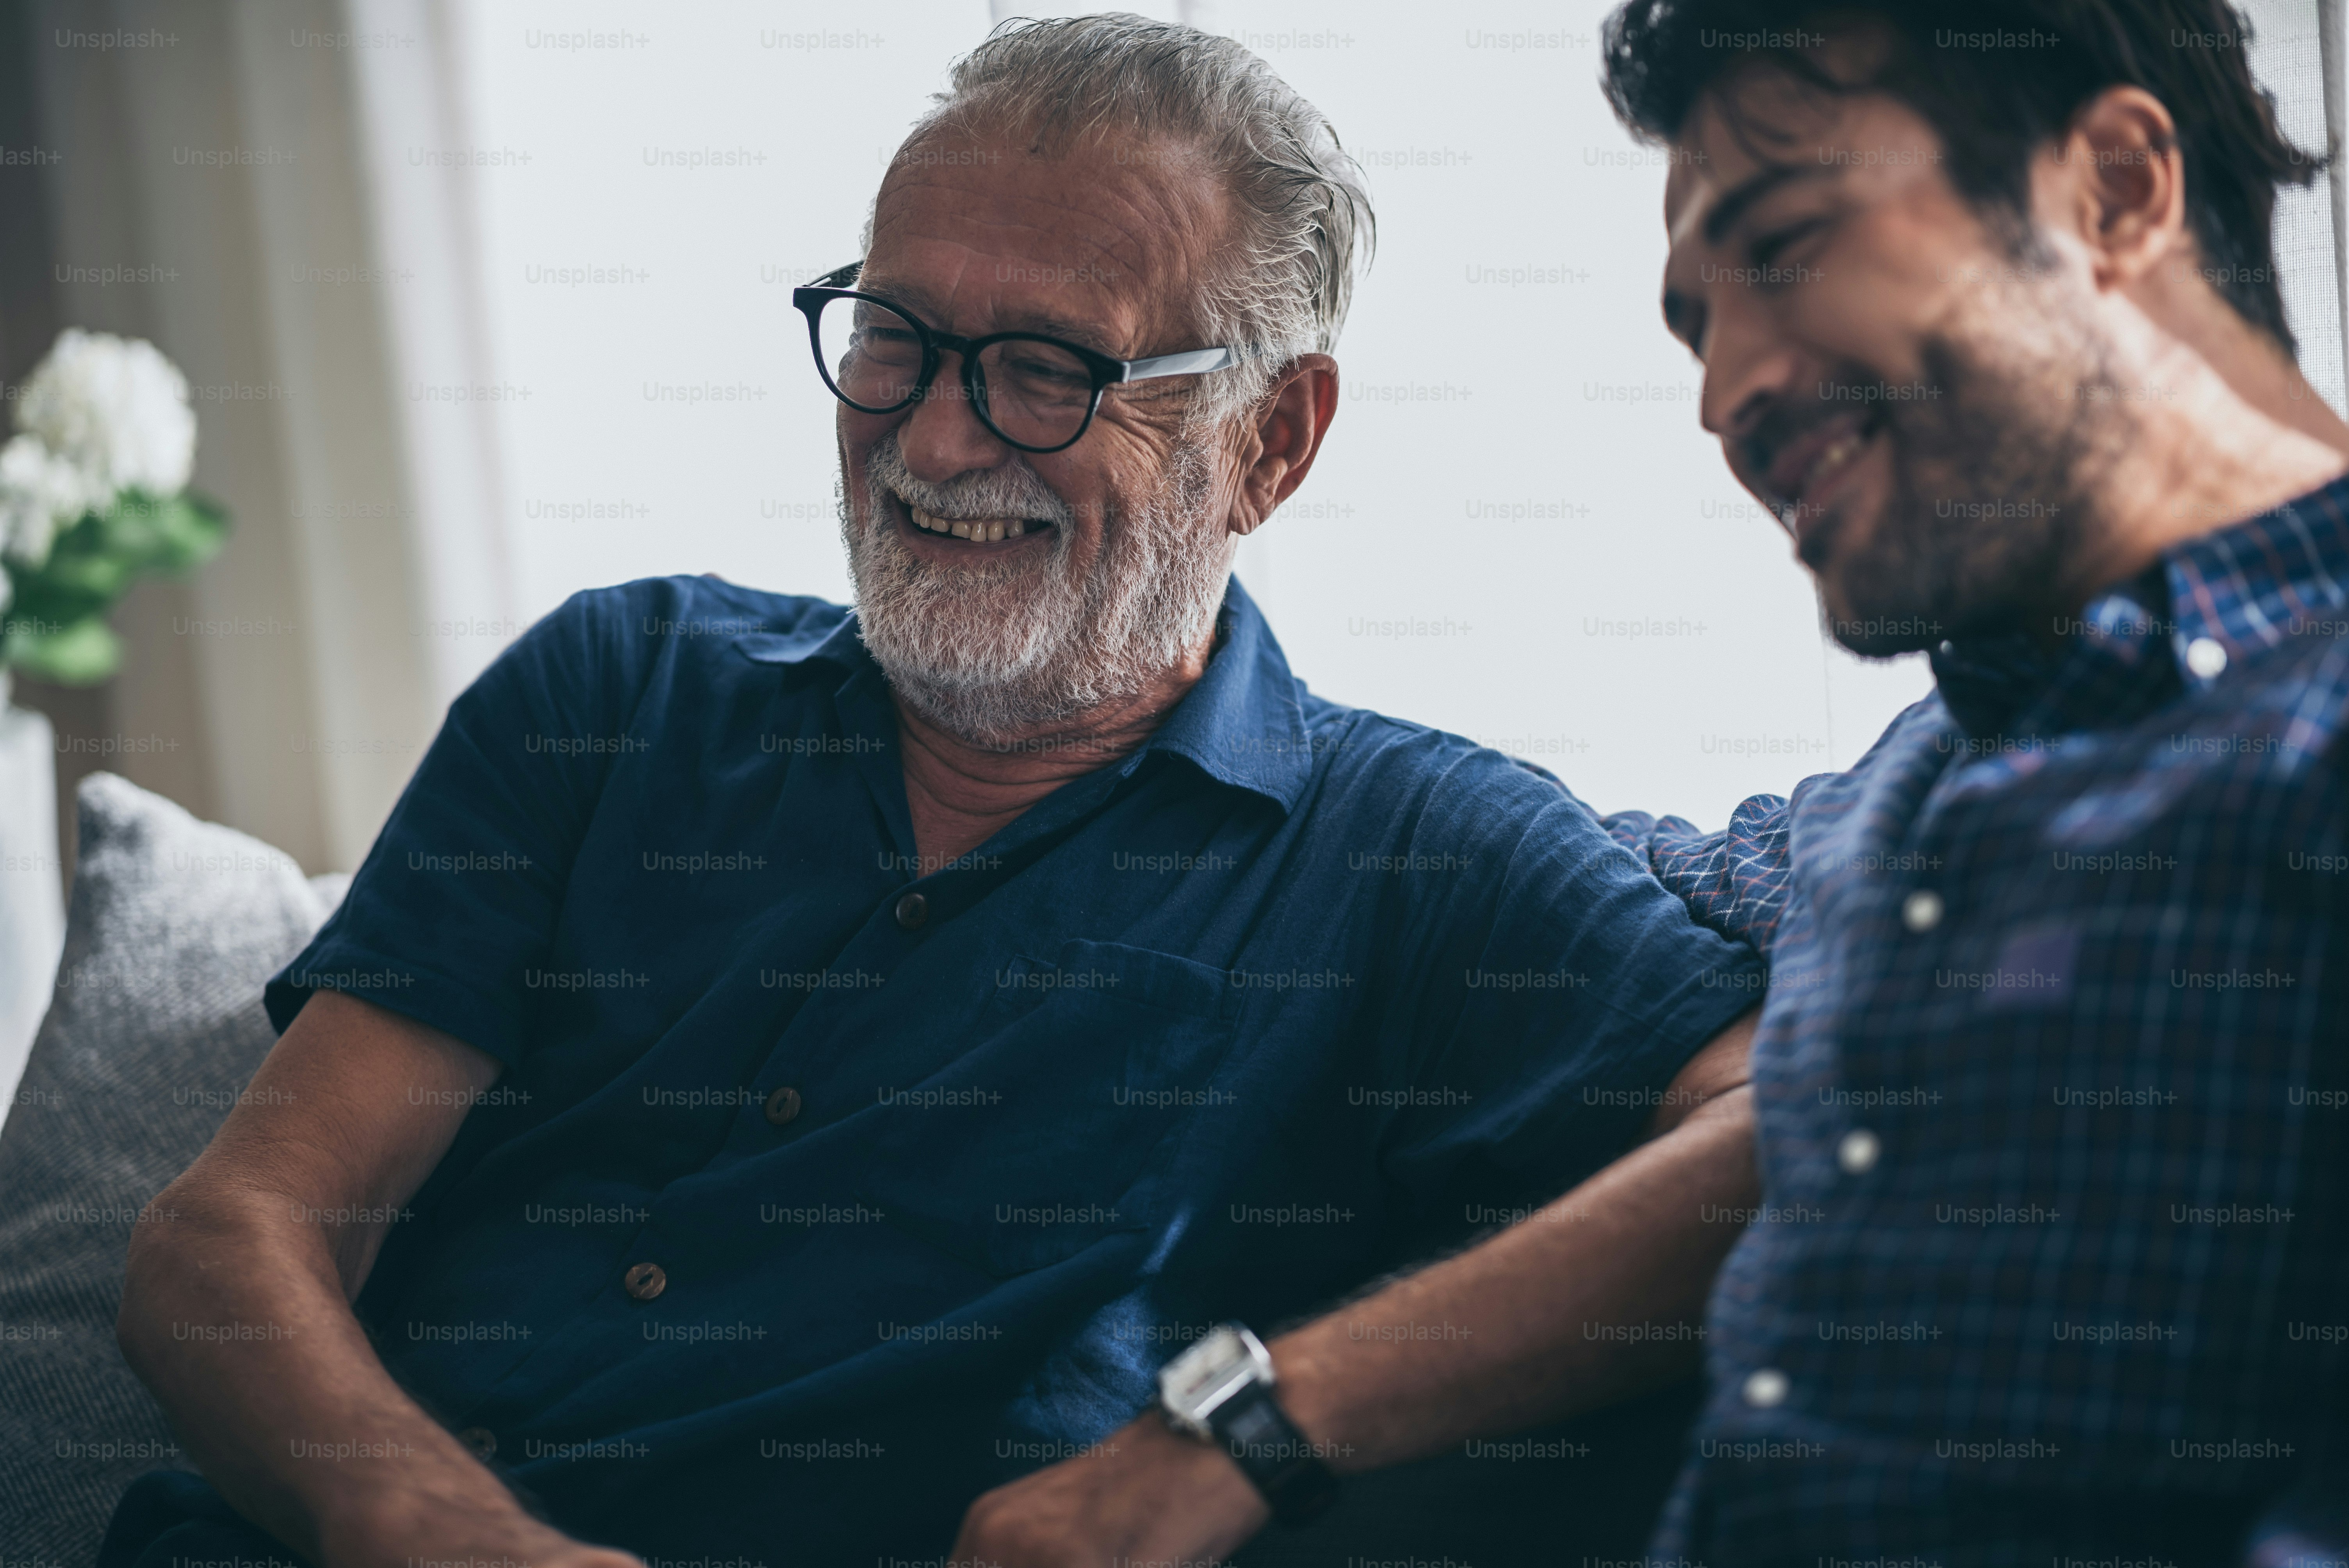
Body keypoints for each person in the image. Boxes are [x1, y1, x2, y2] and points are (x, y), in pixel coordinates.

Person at [101, 16, 1771, 1566]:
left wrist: (1237, 1434)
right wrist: (427, 1523)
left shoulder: (1420, 857)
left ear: (1269, 442)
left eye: (1048, 367)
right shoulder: (617, 688)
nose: (938, 439)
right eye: (894, 335)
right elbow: (229, 1235)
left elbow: (1790, 1134)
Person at [959, 2, 2349, 1563]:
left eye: (1791, 247)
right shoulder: (1892, 813)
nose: (1726, 390)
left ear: (2110, 189)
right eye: (1697, 324)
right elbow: (1470, 859)